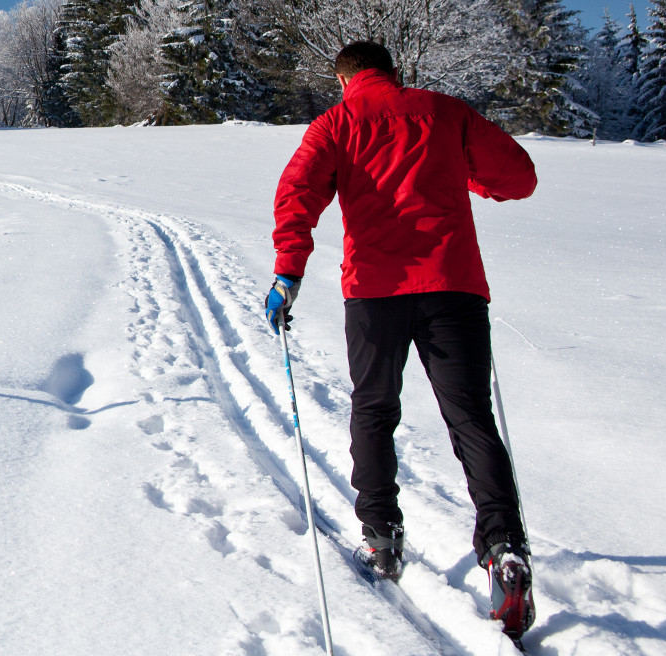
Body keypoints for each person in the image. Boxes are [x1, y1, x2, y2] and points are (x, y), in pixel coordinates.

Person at [263, 41, 538, 639]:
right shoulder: (444, 111)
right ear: (396, 72)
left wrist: (289, 271)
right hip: (454, 287)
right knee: (470, 418)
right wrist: (465, 175)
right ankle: (506, 547)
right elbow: (518, 176)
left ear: (344, 80)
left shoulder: (336, 123)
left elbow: (299, 193)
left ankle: (382, 537)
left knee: (375, 408)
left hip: (375, 294)